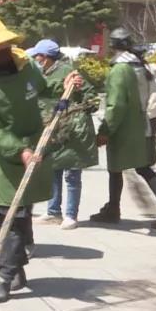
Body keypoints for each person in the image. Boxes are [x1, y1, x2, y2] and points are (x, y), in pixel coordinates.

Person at [0, 18, 57, 304]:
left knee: (18, 216)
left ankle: (5, 276)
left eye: (6, 46)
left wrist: (68, 85)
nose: (4, 52)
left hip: (34, 149)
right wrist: (18, 150)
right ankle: (15, 267)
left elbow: (45, 90)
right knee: (2, 215)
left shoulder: (27, 67)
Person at [89, 28, 156, 228]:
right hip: (142, 123)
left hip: (124, 127)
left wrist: (105, 131)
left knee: (115, 168)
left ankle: (113, 209)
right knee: (143, 166)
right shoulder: (141, 65)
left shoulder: (120, 69)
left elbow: (116, 105)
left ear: (112, 46)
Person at [28, 40, 98, 231]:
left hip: (72, 130)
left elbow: (91, 97)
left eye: (38, 56)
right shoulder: (40, 73)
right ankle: (53, 211)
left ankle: (71, 215)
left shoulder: (69, 72)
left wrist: (75, 98)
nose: (35, 59)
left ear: (46, 57)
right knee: (53, 169)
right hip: (53, 129)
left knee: (72, 174)